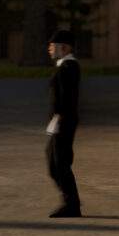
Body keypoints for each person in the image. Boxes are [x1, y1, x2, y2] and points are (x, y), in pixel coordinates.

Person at [45, 30, 81, 218]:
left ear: (65, 47)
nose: (49, 49)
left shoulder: (69, 67)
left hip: (63, 121)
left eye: (53, 46)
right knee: (54, 161)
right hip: (59, 121)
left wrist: (58, 119)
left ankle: (71, 204)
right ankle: (70, 201)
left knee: (60, 162)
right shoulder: (64, 66)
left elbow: (67, 98)